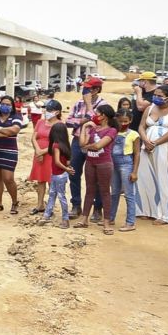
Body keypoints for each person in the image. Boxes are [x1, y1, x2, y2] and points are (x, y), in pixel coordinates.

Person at [137, 85, 168, 225]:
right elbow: (141, 126)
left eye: (159, 95)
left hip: (167, 149)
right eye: (155, 95)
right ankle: (147, 210)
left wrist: (156, 143)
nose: (155, 97)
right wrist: (145, 139)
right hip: (147, 148)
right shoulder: (149, 108)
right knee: (146, 177)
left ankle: (166, 214)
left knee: (166, 178)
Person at [64, 76, 107, 218]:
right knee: (74, 173)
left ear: (96, 90)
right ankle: (76, 205)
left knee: (96, 176)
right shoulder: (77, 104)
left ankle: (97, 208)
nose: (84, 91)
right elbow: (68, 122)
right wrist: (84, 120)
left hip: (94, 142)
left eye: (87, 88)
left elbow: (98, 123)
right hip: (77, 141)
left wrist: (89, 106)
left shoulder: (103, 105)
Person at [75, 104, 118, 235]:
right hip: (91, 162)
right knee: (89, 190)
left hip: (103, 163)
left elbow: (98, 145)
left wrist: (87, 146)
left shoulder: (112, 130)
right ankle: (84, 218)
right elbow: (82, 143)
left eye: (97, 113)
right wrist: (84, 128)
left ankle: (106, 222)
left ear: (103, 115)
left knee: (104, 192)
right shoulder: (94, 129)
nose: (95, 116)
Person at [0, 95, 22, 214]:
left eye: (7, 104)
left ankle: (15, 202)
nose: (5, 106)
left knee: (8, 178)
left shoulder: (16, 117)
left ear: (12, 107)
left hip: (10, 152)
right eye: (3, 104)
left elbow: (14, 130)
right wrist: (5, 132)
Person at [28, 99, 62, 214]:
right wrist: (38, 151)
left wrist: (43, 151)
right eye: (46, 109)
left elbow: (58, 143)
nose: (46, 111)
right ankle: (39, 205)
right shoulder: (40, 122)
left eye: (49, 110)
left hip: (51, 155)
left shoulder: (59, 125)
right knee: (40, 180)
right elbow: (33, 137)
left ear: (57, 112)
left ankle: (50, 206)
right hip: (39, 154)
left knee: (51, 181)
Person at [109, 108, 139, 232]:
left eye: (125, 121)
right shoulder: (112, 132)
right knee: (114, 192)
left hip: (126, 164)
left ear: (130, 120)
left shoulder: (134, 134)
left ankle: (130, 222)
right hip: (113, 164)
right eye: (120, 121)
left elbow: (137, 154)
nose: (122, 124)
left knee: (129, 194)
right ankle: (110, 217)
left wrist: (134, 171)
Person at [42, 122, 73, 228]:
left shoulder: (55, 145)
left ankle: (65, 219)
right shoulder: (65, 145)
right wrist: (67, 169)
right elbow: (67, 162)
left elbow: (57, 162)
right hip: (62, 174)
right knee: (54, 194)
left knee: (57, 195)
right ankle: (47, 214)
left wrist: (66, 169)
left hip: (57, 174)